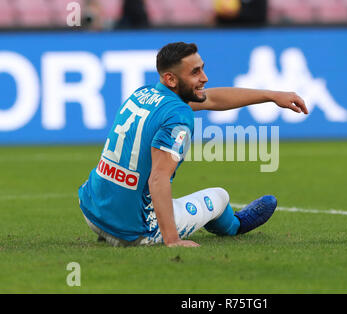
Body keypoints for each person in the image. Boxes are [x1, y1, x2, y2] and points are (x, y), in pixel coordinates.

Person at [78, 42, 308, 248]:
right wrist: (173, 240)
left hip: (92, 210)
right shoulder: (179, 114)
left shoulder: (143, 93)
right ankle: (234, 225)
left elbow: (213, 99)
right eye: (195, 72)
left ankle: (115, 218)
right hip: (131, 231)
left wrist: (271, 95)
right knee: (219, 196)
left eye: (202, 68)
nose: (204, 77)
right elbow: (158, 179)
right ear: (171, 79)